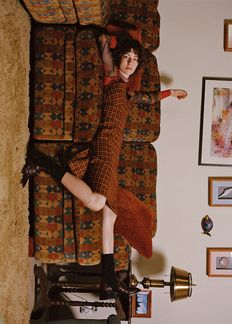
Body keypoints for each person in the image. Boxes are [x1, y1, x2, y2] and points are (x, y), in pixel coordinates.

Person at [21, 33, 187, 299]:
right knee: (98, 203)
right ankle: (40, 160)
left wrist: (172, 92)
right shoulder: (111, 78)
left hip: (114, 153)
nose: (131, 63)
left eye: (135, 60)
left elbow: (150, 99)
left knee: (110, 215)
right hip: (103, 146)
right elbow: (102, 47)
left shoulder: (130, 92)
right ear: (120, 58)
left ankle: (109, 278)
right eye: (127, 57)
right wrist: (107, 41)